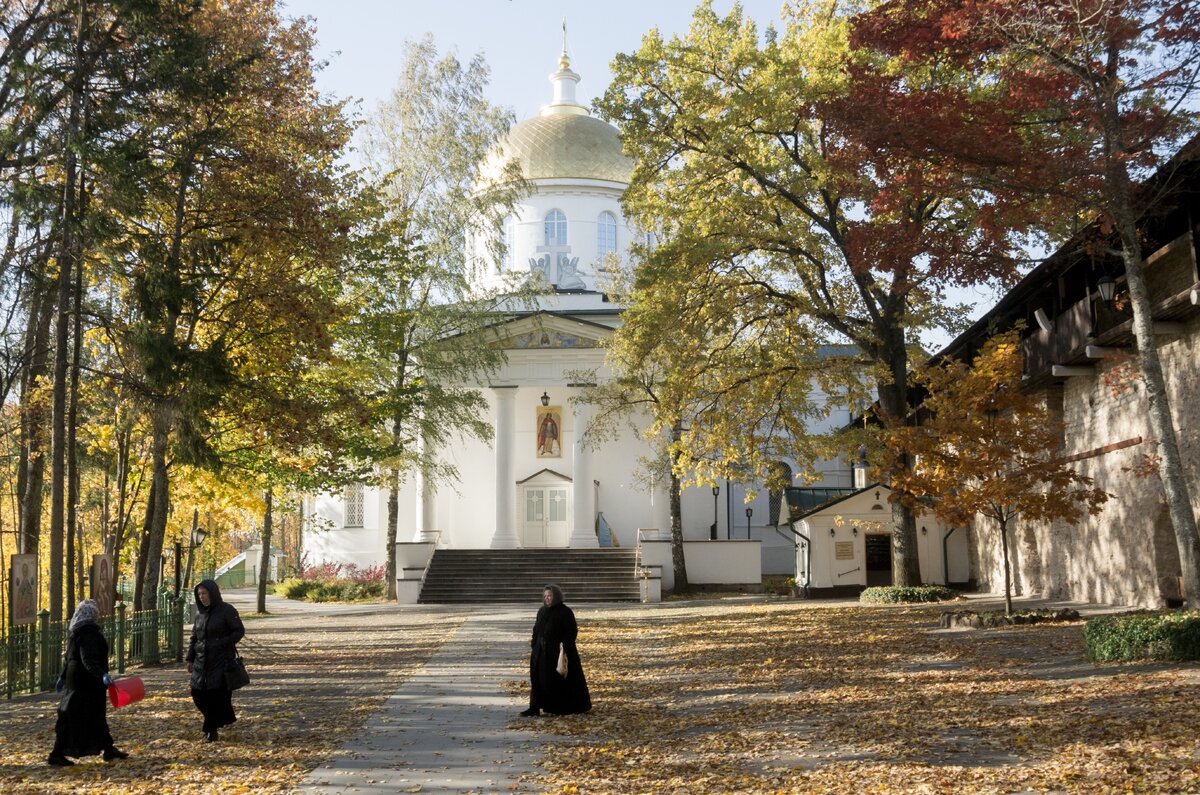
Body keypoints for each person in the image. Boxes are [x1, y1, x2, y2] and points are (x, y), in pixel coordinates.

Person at [48, 599, 128, 766]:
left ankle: (108, 748)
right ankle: (56, 753)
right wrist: (102, 675)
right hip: (87, 682)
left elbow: (69, 657)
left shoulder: (75, 629)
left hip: (75, 679)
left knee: (91, 715)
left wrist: (63, 676)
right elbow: (88, 659)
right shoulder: (88, 632)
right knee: (75, 716)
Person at [186, 578, 245, 742]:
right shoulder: (199, 614)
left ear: (212, 593)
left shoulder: (226, 610)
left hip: (221, 661)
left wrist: (222, 643)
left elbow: (238, 631)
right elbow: (194, 638)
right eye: (199, 594)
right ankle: (217, 721)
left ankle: (210, 730)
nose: (202, 596)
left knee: (214, 697)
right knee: (197, 694)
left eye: (204, 593)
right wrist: (190, 659)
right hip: (201, 662)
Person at [521, 583, 591, 717]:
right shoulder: (542, 611)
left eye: (550, 596)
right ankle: (534, 707)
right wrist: (534, 643)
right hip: (541, 652)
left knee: (556, 680)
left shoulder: (565, 612)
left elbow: (571, 631)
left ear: (556, 597)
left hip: (557, 652)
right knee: (538, 678)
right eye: (545, 596)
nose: (547, 598)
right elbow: (536, 629)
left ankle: (557, 707)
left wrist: (563, 646)